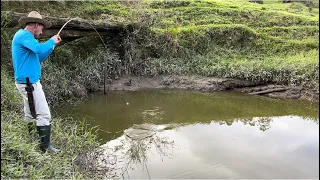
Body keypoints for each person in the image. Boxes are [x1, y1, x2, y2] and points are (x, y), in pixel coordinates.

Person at [11, 11, 62, 153]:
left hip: (27, 83)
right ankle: (45, 147)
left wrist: (52, 46)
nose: (42, 30)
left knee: (30, 113)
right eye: (41, 27)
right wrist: (51, 40)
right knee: (44, 114)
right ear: (35, 25)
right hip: (29, 84)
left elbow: (38, 57)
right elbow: (39, 48)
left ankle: (32, 140)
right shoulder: (24, 35)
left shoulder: (25, 38)